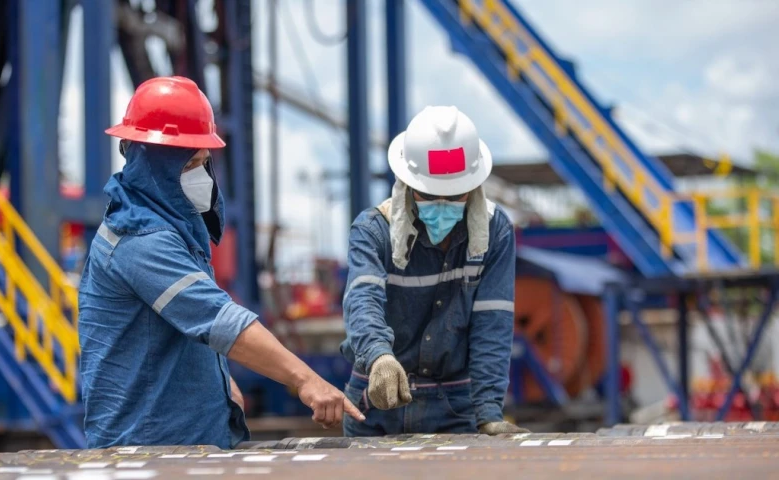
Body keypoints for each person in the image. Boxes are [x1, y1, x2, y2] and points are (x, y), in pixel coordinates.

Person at [79, 76, 362, 449]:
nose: (202, 174)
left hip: (178, 448)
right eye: (191, 162)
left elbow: (180, 325)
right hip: (147, 451)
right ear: (155, 164)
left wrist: (218, 381)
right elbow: (221, 321)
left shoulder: (168, 226)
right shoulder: (140, 240)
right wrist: (306, 380)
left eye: (205, 161)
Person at [340, 106, 527, 436]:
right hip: (378, 400)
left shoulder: (494, 232)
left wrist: (488, 412)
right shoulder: (373, 231)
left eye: (454, 195)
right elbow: (362, 302)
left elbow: (492, 323)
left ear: (473, 185)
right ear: (407, 183)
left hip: (455, 404)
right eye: (429, 194)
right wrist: (379, 357)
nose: (442, 204)